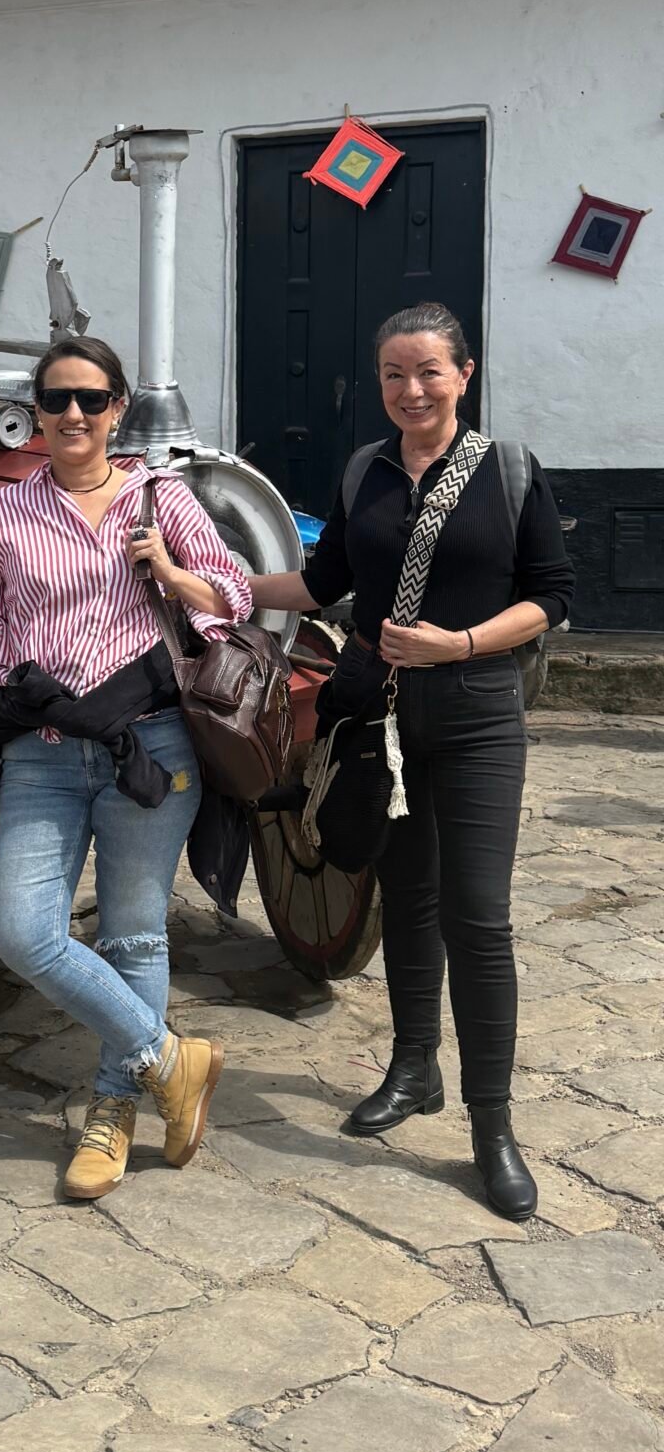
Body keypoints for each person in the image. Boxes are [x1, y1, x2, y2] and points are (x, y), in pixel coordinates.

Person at [250, 303, 574, 1220]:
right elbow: (323, 584)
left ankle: (491, 1127)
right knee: (410, 900)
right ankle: (412, 1067)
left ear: (464, 374)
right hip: (380, 720)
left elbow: (553, 595)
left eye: (429, 370)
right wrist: (210, 582)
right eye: (394, 373)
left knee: (479, 918)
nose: (412, 389)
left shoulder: (509, 470)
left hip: (476, 716)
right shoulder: (366, 472)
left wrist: (463, 644)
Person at [0, 335, 253, 1201]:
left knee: (133, 934)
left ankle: (115, 1109)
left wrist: (168, 569)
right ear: (36, 410)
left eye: (92, 399)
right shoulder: (2, 514)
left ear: (118, 407)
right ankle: (170, 1060)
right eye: (56, 400)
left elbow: (233, 593)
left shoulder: (163, 500)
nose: (74, 415)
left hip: (150, 748)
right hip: (41, 753)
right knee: (24, 933)